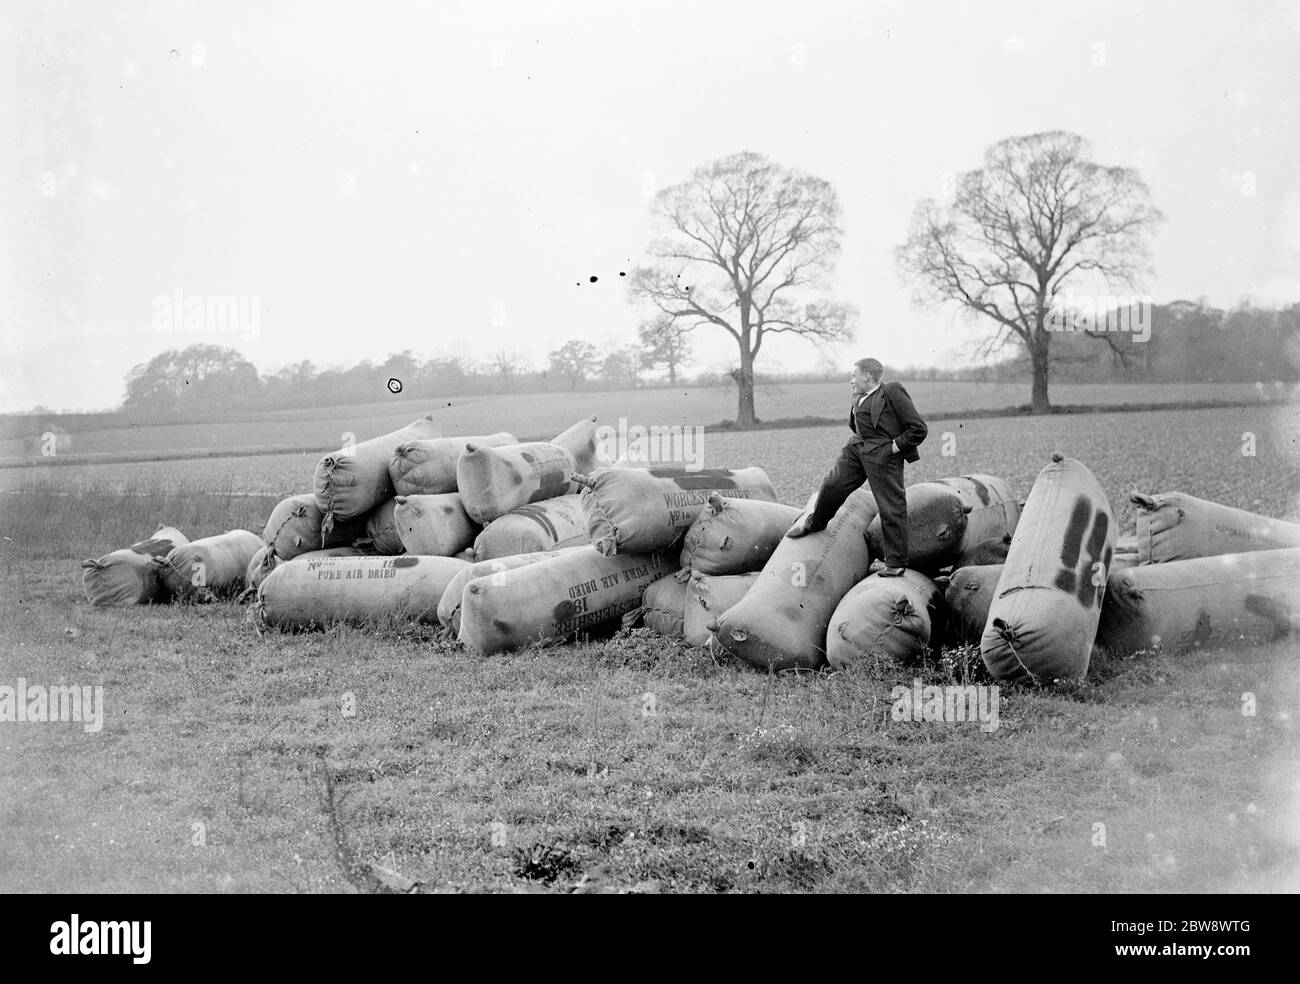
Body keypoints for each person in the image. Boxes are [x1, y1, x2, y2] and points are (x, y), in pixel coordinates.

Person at [787, 358, 928, 576]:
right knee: (832, 484)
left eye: (854, 375)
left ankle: (897, 563)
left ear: (867, 376)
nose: (851, 380)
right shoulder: (859, 395)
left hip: (882, 454)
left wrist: (892, 448)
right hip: (856, 447)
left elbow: (918, 429)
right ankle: (815, 523)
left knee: (891, 506)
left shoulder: (892, 391)